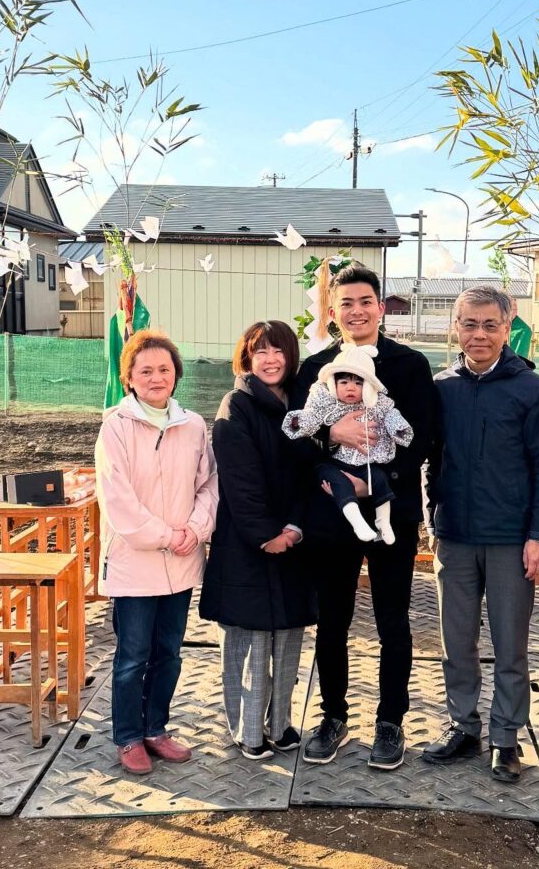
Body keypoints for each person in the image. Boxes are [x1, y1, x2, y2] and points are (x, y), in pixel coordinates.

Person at [291, 263, 437, 771]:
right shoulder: (315, 370)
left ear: (380, 307)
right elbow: (299, 438)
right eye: (345, 303)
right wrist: (333, 438)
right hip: (333, 515)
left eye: (365, 302)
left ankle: (391, 720)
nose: (356, 311)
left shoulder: (410, 365)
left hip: (390, 510)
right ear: (332, 312)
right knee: (333, 620)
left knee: (392, 618)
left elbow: (421, 438)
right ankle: (333, 715)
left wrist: (375, 482)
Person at [424, 285, 539, 782]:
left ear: (508, 329)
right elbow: (430, 459)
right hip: (455, 537)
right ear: (456, 328)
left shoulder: (531, 390)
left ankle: (506, 739)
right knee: (455, 643)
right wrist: (431, 518)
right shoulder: (443, 388)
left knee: (510, 646)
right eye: (469, 324)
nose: (479, 334)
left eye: (489, 325)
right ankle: (463, 727)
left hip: (511, 540)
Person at [95, 329, 219, 776]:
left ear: (175, 375)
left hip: (182, 560)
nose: (155, 377)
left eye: (164, 369)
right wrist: (168, 535)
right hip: (137, 563)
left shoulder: (193, 425)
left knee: (169, 651)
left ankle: (156, 729)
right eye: (145, 370)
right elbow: (118, 500)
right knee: (132, 655)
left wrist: (196, 528)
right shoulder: (117, 426)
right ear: (129, 377)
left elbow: (208, 485)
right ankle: (128, 736)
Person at [199, 320, 317, 760]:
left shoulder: (302, 409)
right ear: (246, 357)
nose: (270, 359)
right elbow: (239, 479)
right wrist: (266, 533)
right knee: (247, 643)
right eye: (260, 351)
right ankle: (248, 732)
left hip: (292, 540)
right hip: (249, 545)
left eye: (279, 350)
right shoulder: (237, 405)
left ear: (290, 358)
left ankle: (281, 724)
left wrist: (295, 527)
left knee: (287, 639)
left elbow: (311, 472)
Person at [282, 343, 413, 545]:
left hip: (366, 464)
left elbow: (392, 417)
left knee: (379, 479)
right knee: (336, 480)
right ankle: (358, 522)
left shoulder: (379, 404)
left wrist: (399, 429)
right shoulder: (325, 402)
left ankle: (383, 522)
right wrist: (302, 423)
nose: (350, 388)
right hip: (335, 463)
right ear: (334, 384)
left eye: (358, 383)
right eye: (343, 382)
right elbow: (310, 417)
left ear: (369, 387)